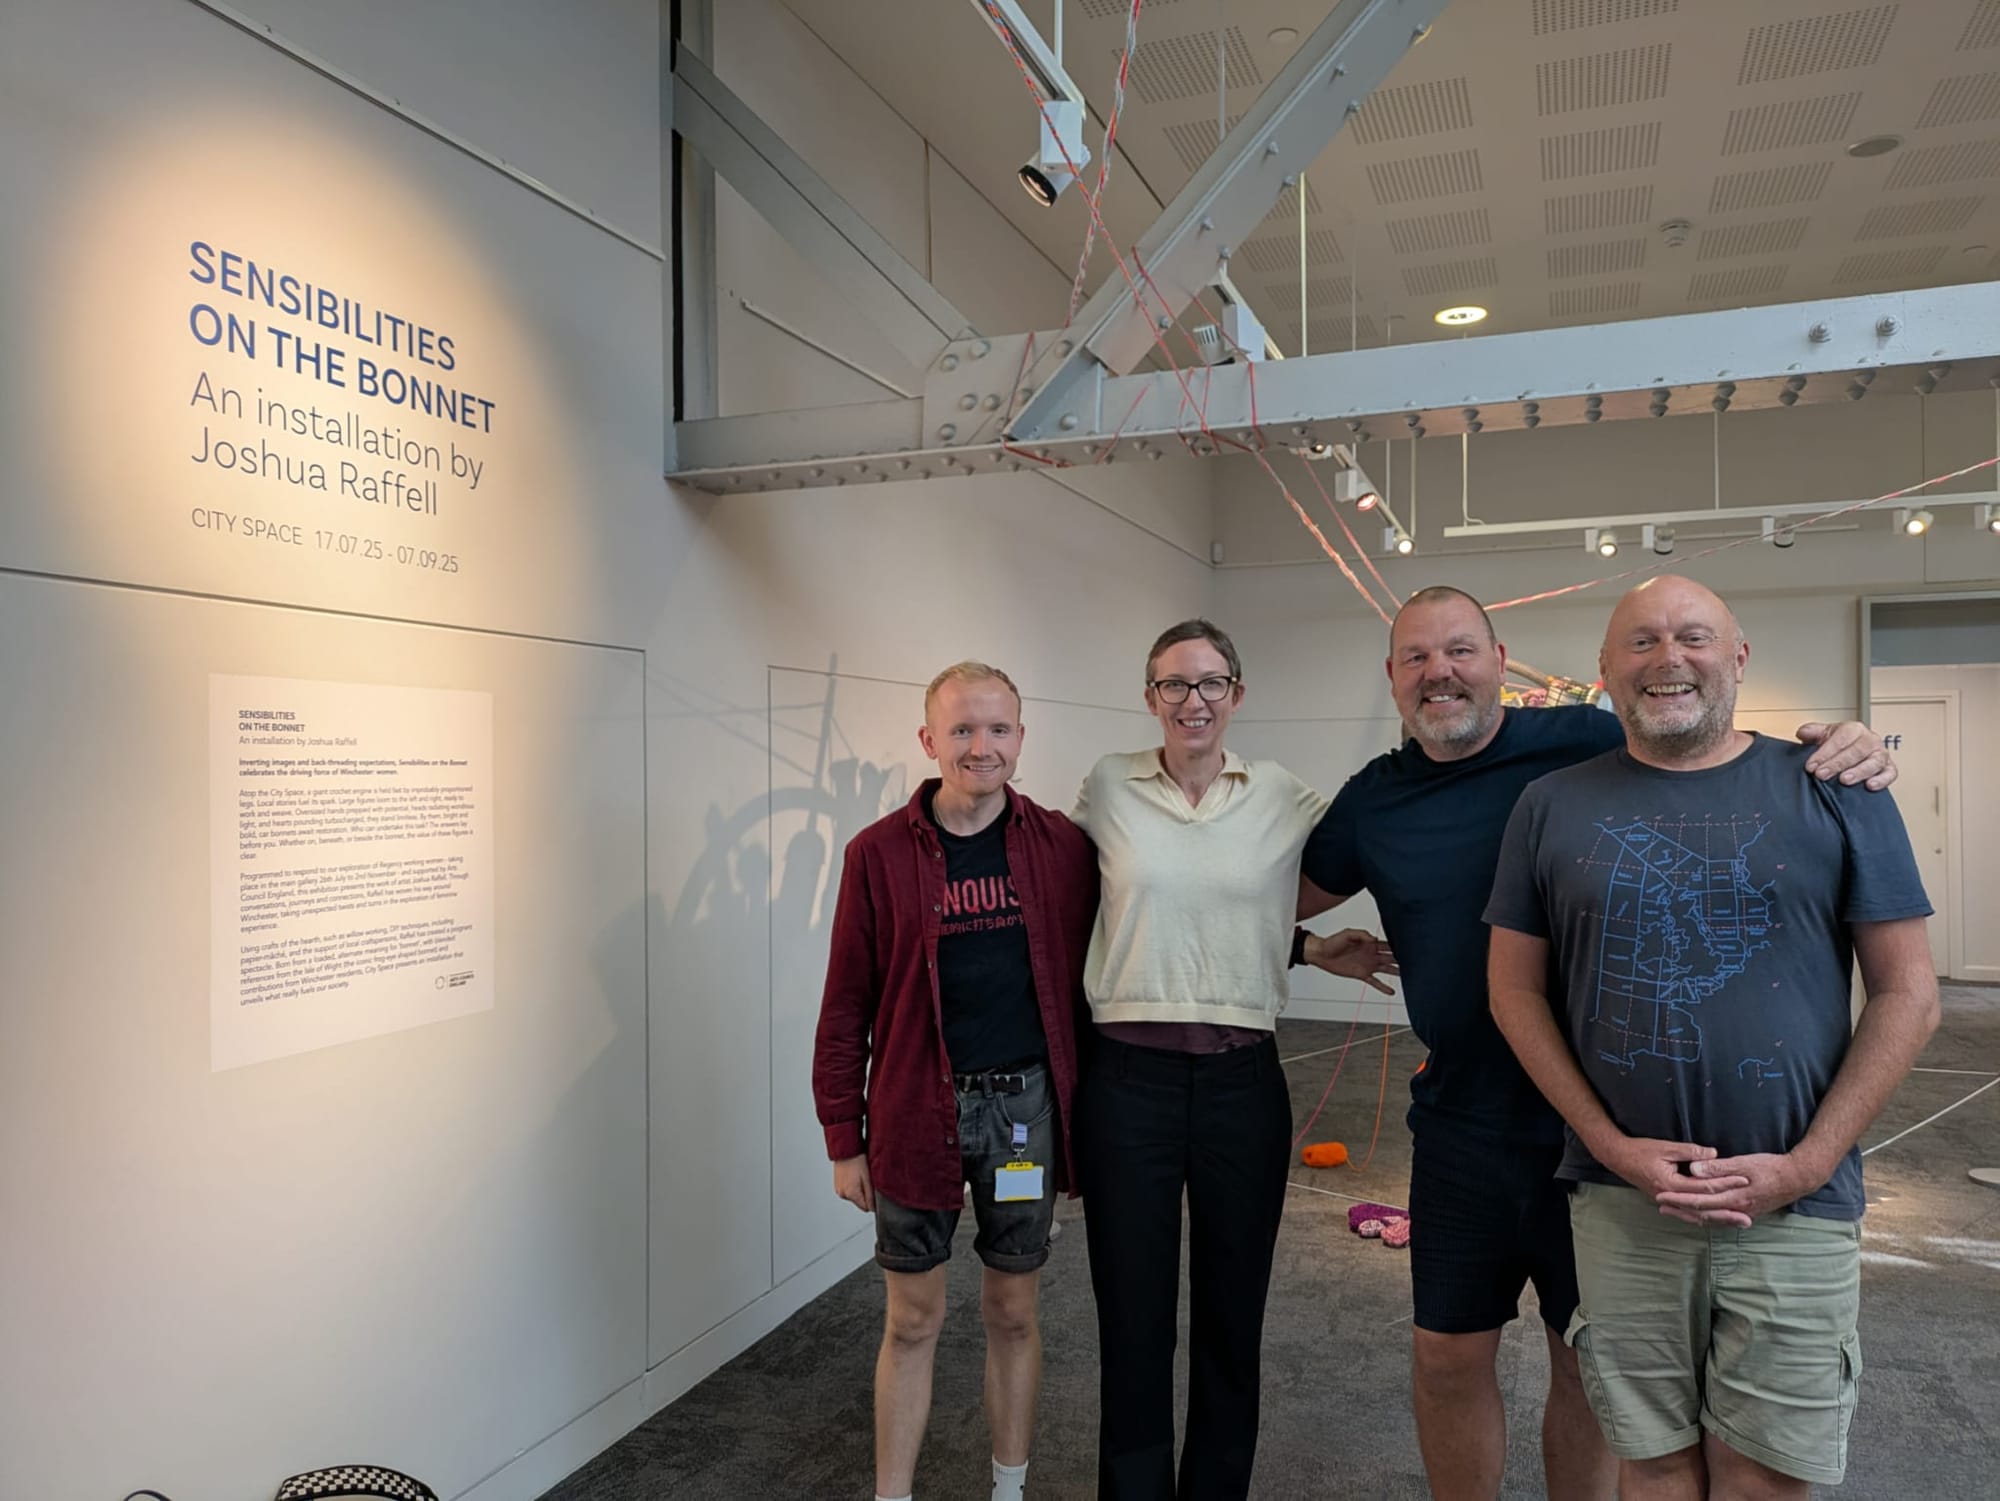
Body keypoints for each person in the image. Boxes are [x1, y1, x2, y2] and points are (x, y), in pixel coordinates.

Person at [1295, 584, 1898, 1501]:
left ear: (1502, 664)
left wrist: (1846, 747)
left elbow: (1694, 732)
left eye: (1460, 651)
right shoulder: (1374, 799)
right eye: (1416, 657)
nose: (1439, 673)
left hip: (1609, 1131)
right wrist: (1303, 948)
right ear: (1391, 676)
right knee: (1446, 1354)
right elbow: (1256, 894)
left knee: (1591, 1370)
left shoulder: (1581, 739)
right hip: (1463, 1123)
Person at [1486, 575, 1938, 1500]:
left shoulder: (1837, 787)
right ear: (1605, 668)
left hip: (1795, 1205)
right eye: (1642, 641)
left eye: (1693, 636)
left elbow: (1909, 993)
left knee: (1763, 1477)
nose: (1669, 658)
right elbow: (1514, 990)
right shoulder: (1548, 804)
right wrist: (1608, 1144)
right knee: (1651, 1466)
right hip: (1624, 1201)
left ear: (1738, 657)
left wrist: (1809, 1163)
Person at [1070, 619, 1393, 1501]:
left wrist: (1310, 946)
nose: (1193, 700)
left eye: (1211, 682)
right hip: (1126, 1087)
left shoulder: (1281, 794)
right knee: (1131, 1322)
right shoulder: (1109, 784)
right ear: (1150, 697)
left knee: (1230, 1319)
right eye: (1174, 684)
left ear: (1238, 694)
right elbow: (1110, 908)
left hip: (1240, 1086)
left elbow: (1258, 896)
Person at [812, 662, 1098, 1501]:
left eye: (998, 728)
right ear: (929, 739)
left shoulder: (1062, 848)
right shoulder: (876, 855)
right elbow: (845, 1005)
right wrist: (843, 1137)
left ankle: (1008, 1489)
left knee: (1013, 1310)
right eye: (963, 729)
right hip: (913, 1110)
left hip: (1022, 1117)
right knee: (912, 1319)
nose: (982, 746)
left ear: (1021, 737)